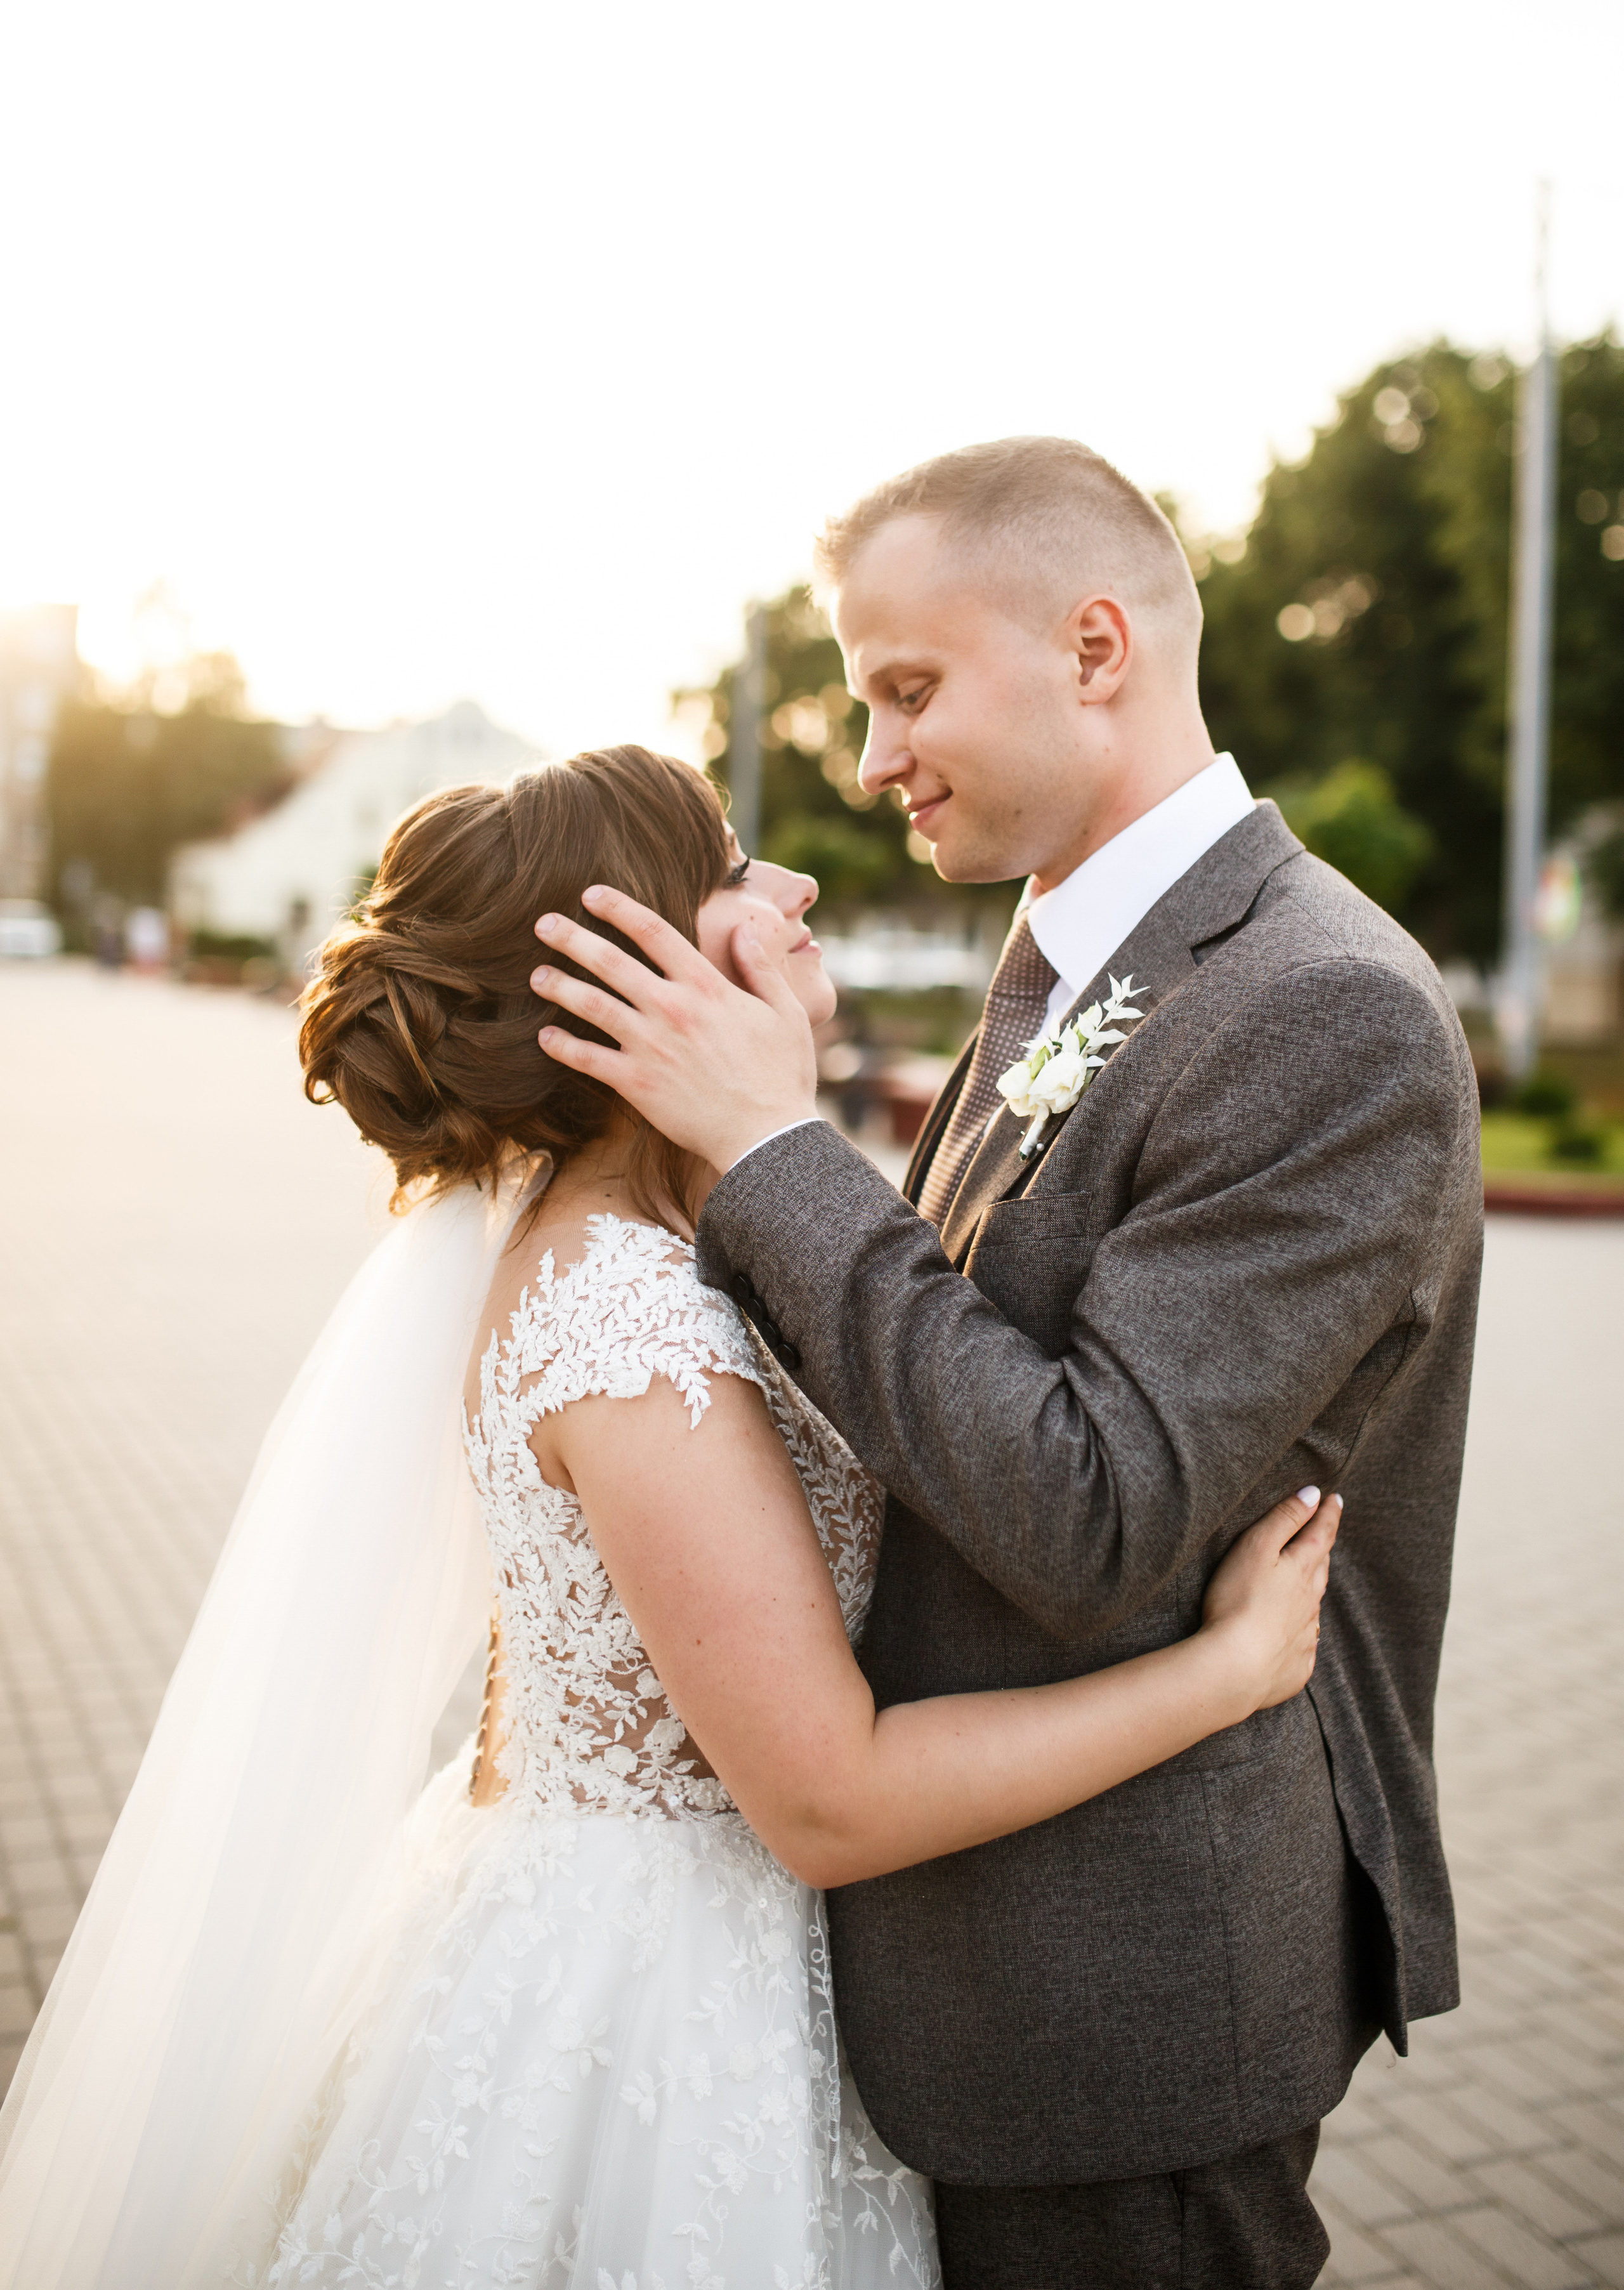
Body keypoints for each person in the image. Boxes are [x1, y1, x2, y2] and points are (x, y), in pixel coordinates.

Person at [0, 744, 1338, 2290]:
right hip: (643, 2005)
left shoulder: (688, 1231)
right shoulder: (626, 1319)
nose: (794, 885)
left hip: (686, 1942)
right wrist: (1222, 1673)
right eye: (732, 867)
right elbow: (824, 1796)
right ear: (639, 971)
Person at [526, 442, 1484, 2289]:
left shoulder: (1322, 1008)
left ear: (1096, 646)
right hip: (974, 1941)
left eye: (904, 690)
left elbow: (1093, 1509)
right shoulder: (1065, 956)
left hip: (1123, 1994)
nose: (869, 759)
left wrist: (770, 1156)